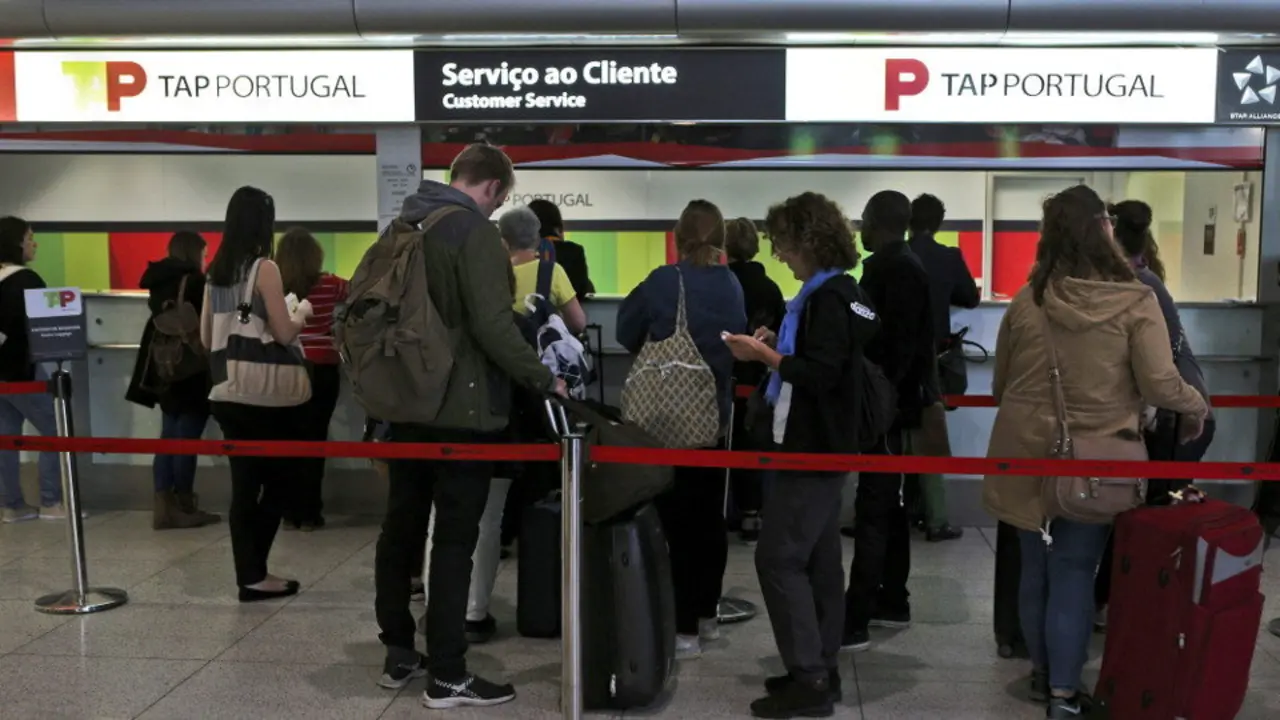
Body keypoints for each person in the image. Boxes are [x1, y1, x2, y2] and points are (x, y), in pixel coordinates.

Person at [983, 185, 1207, 719]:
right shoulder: (1135, 300)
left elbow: (999, 385)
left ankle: (1041, 674)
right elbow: (1159, 383)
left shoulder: (1026, 299)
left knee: (1034, 569)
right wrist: (1196, 403)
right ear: (1104, 231)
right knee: (1075, 570)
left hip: (1024, 453)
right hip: (1095, 457)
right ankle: (1064, 693)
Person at [372, 144, 564, 710]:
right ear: (498, 191)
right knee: (455, 539)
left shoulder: (405, 224)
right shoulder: (475, 232)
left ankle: (400, 652)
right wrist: (542, 377)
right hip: (461, 412)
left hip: (405, 405)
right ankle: (449, 674)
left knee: (401, 527)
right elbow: (493, 326)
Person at [724, 192, 879, 719]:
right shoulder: (840, 293)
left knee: (779, 557)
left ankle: (810, 678)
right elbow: (825, 359)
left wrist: (765, 355)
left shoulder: (824, 300)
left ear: (808, 242)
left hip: (812, 446)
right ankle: (820, 666)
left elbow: (820, 373)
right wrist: (779, 346)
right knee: (819, 559)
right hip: (826, 445)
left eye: (785, 245)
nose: (780, 256)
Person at [617, 199, 747, 660]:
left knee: (673, 521)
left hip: (667, 419)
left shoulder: (663, 280)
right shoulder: (731, 284)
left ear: (678, 237)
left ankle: (683, 627)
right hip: (714, 417)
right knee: (708, 520)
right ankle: (707, 615)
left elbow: (624, 331)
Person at [1092, 200, 1216, 627]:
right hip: (1173, 412)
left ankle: (1127, 605)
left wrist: (1190, 407)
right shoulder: (1137, 279)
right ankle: (1119, 601)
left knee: (1148, 516)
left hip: (1178, 417)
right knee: (1141, 513)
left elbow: (1159, 368)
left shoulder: (1138, 285)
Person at [201, 186, 313, 603]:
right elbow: (284, 333)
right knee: (282, 482)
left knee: (244, 485)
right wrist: (300, 313)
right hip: (264, 396)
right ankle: (255, 573)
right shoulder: (264, 268)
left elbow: (204, 334)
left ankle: (250, 574)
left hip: (227, 392)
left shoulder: (215, 272)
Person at [843, 190, 933, 652]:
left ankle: (856, 615)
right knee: (888, 508)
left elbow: (887, 347)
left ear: (878, 222)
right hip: (894, 406)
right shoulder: (905, 267)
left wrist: (877, 402)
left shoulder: (892, 272)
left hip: (885, 410)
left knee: (875, 509)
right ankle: (892, 599)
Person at [126, 230, 220, 530]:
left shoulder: (158, 282)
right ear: (195, 253)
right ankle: (184, 505)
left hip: (164, 368)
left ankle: (162, 506)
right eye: (204, 254)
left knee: (169, 436)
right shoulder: (194, 282)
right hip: (191, 368)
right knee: (187, 439)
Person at [904, 193, 974, 542]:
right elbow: (970, 298)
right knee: (929, 436)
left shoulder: (894, 256)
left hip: (895, 359)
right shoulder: (947, 257)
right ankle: (935, 518)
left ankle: (899, 511)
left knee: (896, 437)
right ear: (938, 223)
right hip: (933, 359)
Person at [275, 227, 349, 532]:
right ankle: (310, 512)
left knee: (288, 439)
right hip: (322, 367)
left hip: (286, 365)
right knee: (314, 439)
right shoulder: (330, 284)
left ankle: (288, 511)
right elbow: (363, 290)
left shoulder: (274, 286)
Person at [0, 216, 66, 523]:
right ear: (16, 243)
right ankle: (51, 501)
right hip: (20, 371)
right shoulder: (27, 281)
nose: (33, 243)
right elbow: (44, 328)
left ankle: (11, 505)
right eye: (29, 237)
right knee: (55, 431)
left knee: (6, 437)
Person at [726, 217, 786, 543]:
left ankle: (730, 510)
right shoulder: (770, 287)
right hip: (761, 381)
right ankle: (754, 513)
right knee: (756, 443)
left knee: (727, 445)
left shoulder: (721, 283)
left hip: (725, 379)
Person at [527, 198, 595, 298]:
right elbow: (581, 290)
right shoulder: (574, 251)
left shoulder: (522, 251)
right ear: (558, 226)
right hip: (567, 311)